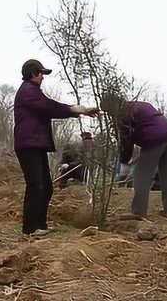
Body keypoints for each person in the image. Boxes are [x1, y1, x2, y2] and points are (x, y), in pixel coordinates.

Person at [14, 59, 100, 236]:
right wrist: (78, 110)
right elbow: (50, 107)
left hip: (35, 144)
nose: (43, 77)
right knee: (36, 185)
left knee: (45, 186)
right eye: (41, 74)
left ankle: (40, 226)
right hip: (28, 145)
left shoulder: (33, 91)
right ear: (33, 73)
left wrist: (77, 111)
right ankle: (30, 229)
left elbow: (50, 107)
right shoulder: (28, 91)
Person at [101, 93, 167, 220]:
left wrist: (124, 163)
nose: (109, 115)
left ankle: (138, 211)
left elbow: (126, 141)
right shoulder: (140, 105)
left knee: (141, 175)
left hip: (153, 138)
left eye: (108, 111)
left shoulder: (123, 115)